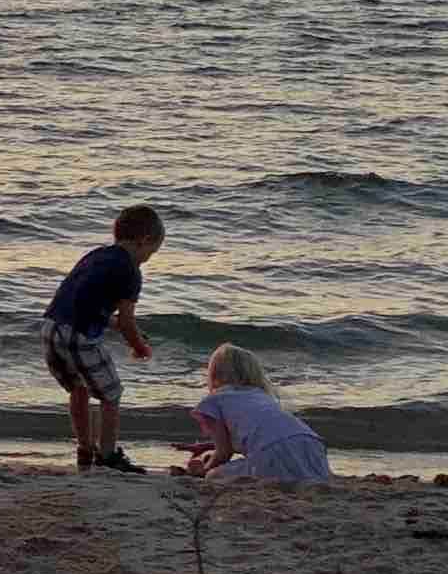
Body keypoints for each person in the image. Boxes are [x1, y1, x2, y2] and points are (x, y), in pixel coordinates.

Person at [43, 203, 165, 473]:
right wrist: (139, 346)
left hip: (51, 327)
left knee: (79, 388)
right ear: (145, 241)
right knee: (112, 395)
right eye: (151, 253)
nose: (148, 259)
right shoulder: (131, 271)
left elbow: (85, 305)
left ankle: (85, 449)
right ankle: (108, 456)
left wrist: (122, 330)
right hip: (77, 334)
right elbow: (126, 320)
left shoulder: (96, 255)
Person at [184, 344, 332, 483]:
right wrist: (210, 446)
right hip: (311, 445)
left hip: (273, 453)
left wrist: (204, 469)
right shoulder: (260, 395)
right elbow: (263, 432)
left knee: (213, 476)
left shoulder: (214, 401)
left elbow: (224, 453)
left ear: (213, 373)